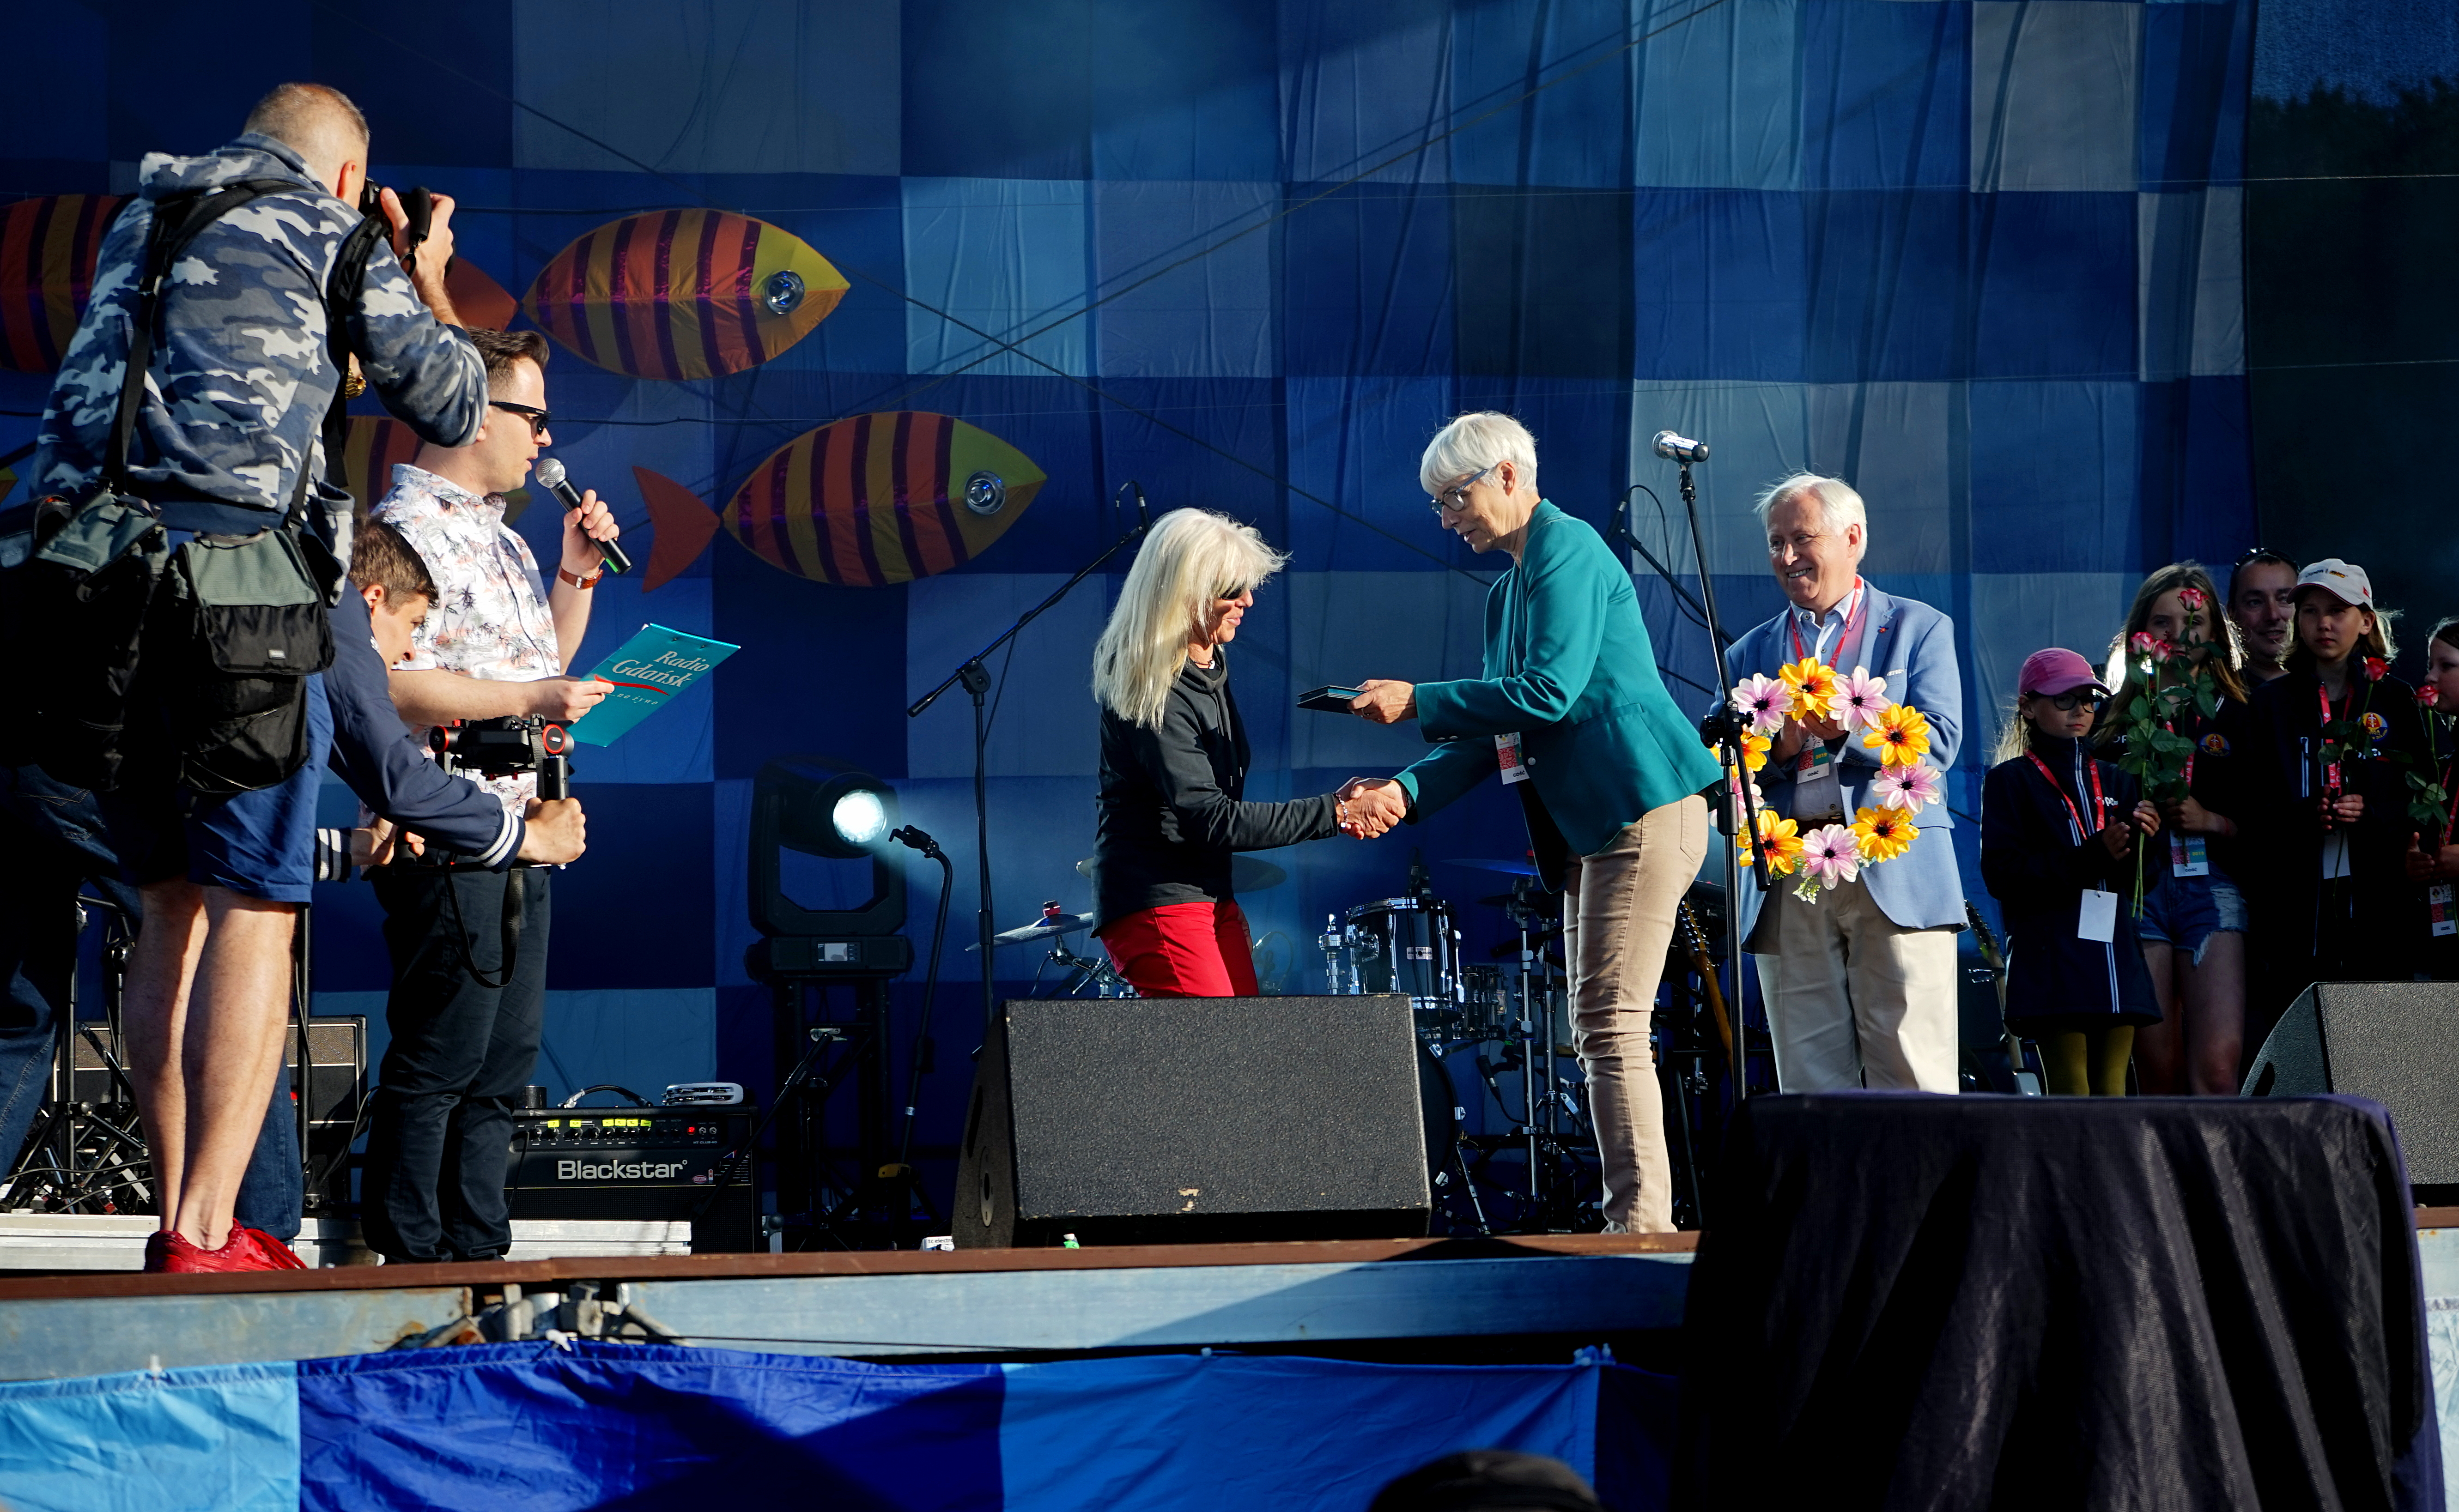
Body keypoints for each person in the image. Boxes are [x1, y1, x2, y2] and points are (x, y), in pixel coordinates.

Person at [24, 84, 486, 1272]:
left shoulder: (142, 218)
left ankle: (175, 1211)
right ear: (346, 178)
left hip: (90, 589)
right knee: (256, 902)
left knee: (165, 902)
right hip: (240, 597)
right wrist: (414, 265)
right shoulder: (331, 230)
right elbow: (451, 401)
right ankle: (209, 1230)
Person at [1343, 412, 1717, 1235]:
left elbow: (1546, 691)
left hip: (1641, 804)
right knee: (1597, 1028)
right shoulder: (1506, 590)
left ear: (1509, 474)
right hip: (1593, 824)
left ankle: (1640, 1230)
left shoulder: (1569, 547)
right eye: (1437, 505)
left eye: (1454, 496)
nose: (1446, 518)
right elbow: (1496, 732)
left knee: (1610, 1025)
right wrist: (1402, 792)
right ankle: (1635, 1221)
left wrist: (1419, 699)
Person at [363, 328, 616, 1264]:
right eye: (533, 417)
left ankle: (478, 1252)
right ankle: (411, 1259)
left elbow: (541, 663)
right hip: (445, 823)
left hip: (524, 825)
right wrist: (527, 698)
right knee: (441, 1056)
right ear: (473, 413)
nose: (544, 441)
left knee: (502, 1066)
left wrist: (576, 568)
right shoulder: (406, 529)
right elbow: (386, 682)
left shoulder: (503, 537)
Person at [1720, 475, 1966, 1094]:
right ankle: (1830, 1197)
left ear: (1852, 537)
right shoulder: (1746, 653)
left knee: (1914, 1079)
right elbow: (1727, 771)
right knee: (1809, 1090)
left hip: (1895, 868)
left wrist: (1843, 728)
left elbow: (1938, 740)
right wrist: (1780, 748)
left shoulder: (1919, 627)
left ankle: (1921, 1196)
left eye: (1801, 538)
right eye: (1774, 543)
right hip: (1792, 875)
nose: (1785, 557)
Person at [1088, 508, 1382, 997]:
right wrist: (1338, 811)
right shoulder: (1153, 686)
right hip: (1159, 898)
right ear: (1185, 592)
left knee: (1244, 1050)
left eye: (1247, 586)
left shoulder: (1208, 660)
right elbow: (1212, 819)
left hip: (1210, 893)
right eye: (1231, 590)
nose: (1248, 599)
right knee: (1220, 1059)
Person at [2095, 562, 2253, 1095]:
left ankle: (2219, 1179)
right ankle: (2167, 1178)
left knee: (2216, 1068)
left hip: (2213, 890)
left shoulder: (2239, 713)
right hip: (2141, 892)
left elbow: (2277, 819)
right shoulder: (2111, 719)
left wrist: (2215, 821)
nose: (2178, 637)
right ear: (2140, 632)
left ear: (2214, 633)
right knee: (2156, 1069)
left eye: (2194, 623)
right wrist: (2119, 828)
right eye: (2162, 623)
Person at [2241, 559, 2429, 1007]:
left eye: (2337, 610)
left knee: (2380, 1029)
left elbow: (2422, 796)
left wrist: (2371, 812)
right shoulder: (2269, 704)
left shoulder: (2397, 701)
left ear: (2365, 621)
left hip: (2380, 901)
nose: (2323, 622)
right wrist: (2303, 814)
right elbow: (2248, 803)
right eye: (2309, 610)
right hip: (2296, 906)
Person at [1982, 650, 2163, 1095]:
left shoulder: (2118, 779)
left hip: (2114, 959)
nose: (2080, 710)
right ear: (2027, 706)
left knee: (2113, 1094)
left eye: (2088, 700)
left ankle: (2117, 1169)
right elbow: (2003, 876)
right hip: (2052, 957)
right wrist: (2090, 857)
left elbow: (2144, 880)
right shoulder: (2011, 781)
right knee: (2072, 1097)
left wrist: (2145, 843)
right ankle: (2073, 1169)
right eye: (2065, 700)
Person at [2403, 617, 2459, 980]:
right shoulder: (2443, 766)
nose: (2429, 678)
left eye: (2446, 666)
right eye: (2429, 666)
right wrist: (2413, 862)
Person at [2228, 549, 2300, 687]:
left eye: (2285, 600)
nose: (2273, 616)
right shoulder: (2215, 699)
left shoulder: (2338, 687)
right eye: (2255, 602)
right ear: (2232, 613)